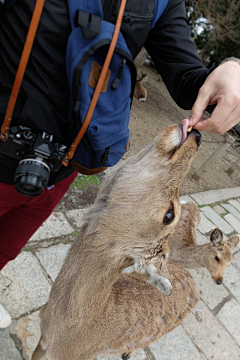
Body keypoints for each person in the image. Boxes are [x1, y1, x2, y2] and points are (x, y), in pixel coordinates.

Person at [0, 0, 240, 329]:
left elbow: (189, 79)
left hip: (63, 170)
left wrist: (230, 68)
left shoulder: (162, 3)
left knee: (7, 247)